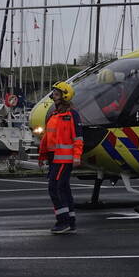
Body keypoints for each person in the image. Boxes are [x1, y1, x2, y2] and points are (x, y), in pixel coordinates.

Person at [38, 81, 83, 234]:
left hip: (64, 159)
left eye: (56, 94)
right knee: (63, 188)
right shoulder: (54, 114)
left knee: (55, 188)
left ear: (65, 96)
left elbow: (78, 138)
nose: (53, 96)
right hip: (54, 158)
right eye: (53, 94)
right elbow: (47, 138)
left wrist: (77, 156)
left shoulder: (72, 115)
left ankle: (63, 221)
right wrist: (42, 155)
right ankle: (70, 220)